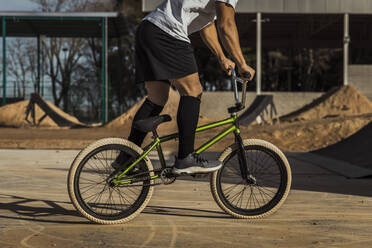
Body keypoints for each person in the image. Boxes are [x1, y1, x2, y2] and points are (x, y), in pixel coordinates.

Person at [113, 0, 255, 175]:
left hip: (148, 30)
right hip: (167, 33)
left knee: (157, 99)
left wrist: (222, 58)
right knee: (193, 90)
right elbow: (226, 24)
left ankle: (125, 157)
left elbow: (207, 24)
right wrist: (242, 63)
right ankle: (185, 158)